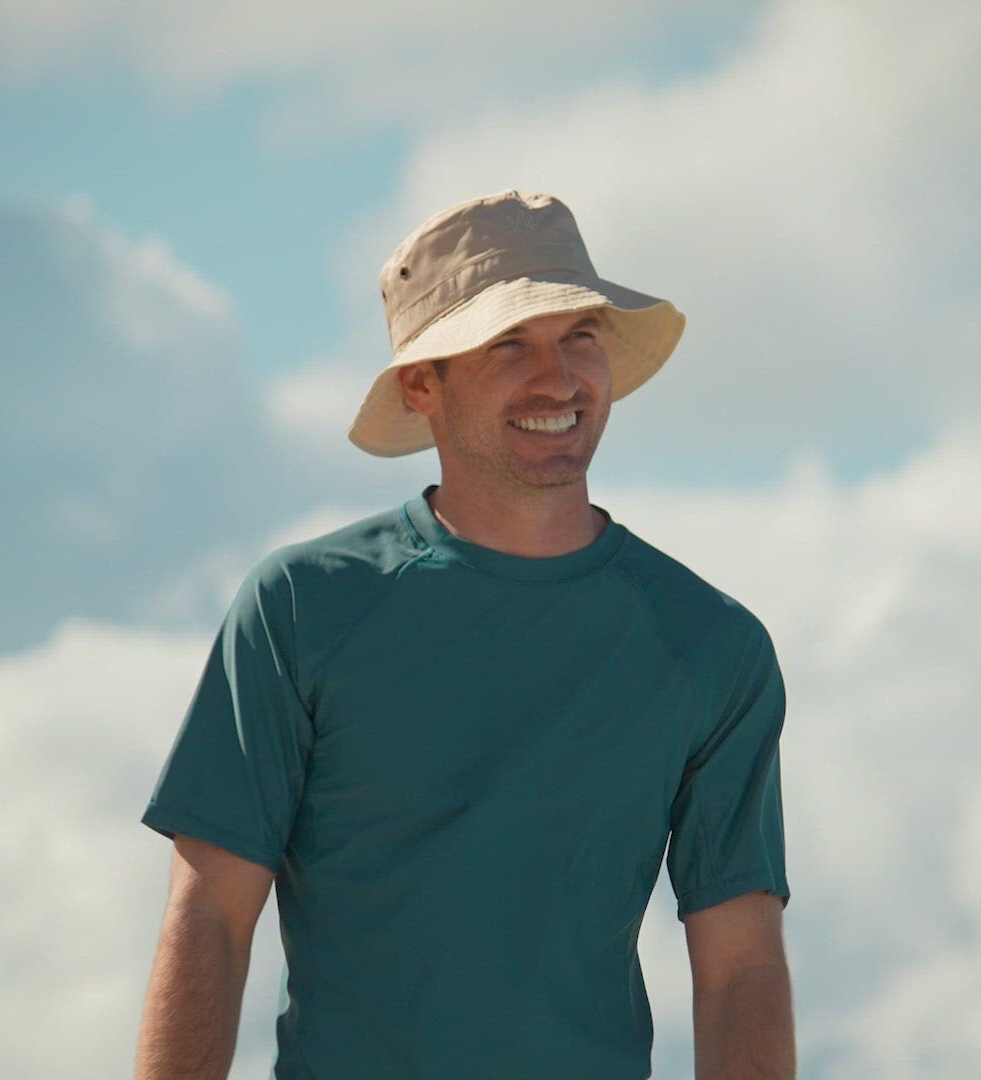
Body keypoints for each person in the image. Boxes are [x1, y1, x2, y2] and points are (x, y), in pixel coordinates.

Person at [134, 190, 794, 1079]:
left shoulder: (711, 645)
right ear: (421, 385)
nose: (558, 378)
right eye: (508, 344)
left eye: (580, 336)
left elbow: (742, 968)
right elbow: (210, 917)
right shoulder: (300, 608)